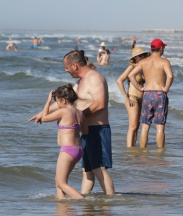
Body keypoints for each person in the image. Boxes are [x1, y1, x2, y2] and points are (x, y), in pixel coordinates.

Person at [29, 50, 115, 195]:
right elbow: (65, 103)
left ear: (75, 65)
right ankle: (84, 201)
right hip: (86, 129)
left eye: (67, 67)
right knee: (87, 170)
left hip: (97, 129)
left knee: (97, 167)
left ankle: (112, 200)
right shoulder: (80, 82)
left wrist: (78, 117)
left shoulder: (94, 78)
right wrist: (41, 113)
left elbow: (100, 103)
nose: (66, 70)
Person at [40, 84, 88, 199]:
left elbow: (44, 118)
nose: (57, 105)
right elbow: (86, 131)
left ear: (64, 100)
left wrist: (48, 101)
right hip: (78, 150)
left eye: (57, 102)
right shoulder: (80, 113)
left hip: (67, 150)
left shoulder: (64, 111)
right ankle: (62, 205)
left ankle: (82, 201)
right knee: (59, 180)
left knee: (61, 183)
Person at [128, 39, 173, 148]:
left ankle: (143, 151)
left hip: (147, 94)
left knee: (145, 126)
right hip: (160, 94)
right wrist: (166, 88)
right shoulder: (164, 61)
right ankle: (160, 152)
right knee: (160, 127)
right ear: (161, 48)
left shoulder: (144, 62)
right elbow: (170, 76)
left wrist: (140, 88)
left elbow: (131, 75)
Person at [117, 47, 151, 147]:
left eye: (144, 55)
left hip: (142, 99)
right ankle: (129, 150)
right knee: (133, 126)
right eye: (141, 55)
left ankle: (134, 149)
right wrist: (126, 97)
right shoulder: (131, 67)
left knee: (137, 127)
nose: (143, 57)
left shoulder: (143, 68)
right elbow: (119, 81)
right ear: (135, 57)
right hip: (132, 98)